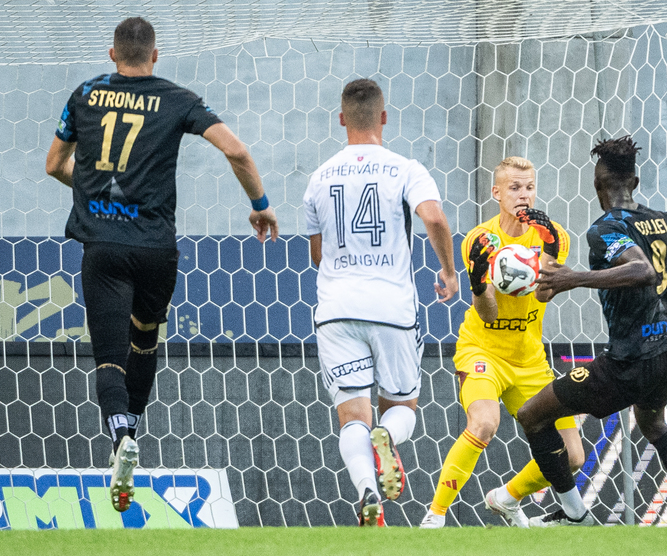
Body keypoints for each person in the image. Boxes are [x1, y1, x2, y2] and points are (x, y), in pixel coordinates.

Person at [44, 17, 279, 513]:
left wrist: (93, 192)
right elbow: (237, 151)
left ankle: (120, 439)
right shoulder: (177, 98)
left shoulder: (84, 94)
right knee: (144, 338)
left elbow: (54, 165)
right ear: (155, 55)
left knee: (108, 357)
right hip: (156, 249)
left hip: (103, 247)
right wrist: (259, 204)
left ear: (112, 54)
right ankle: (132, 431)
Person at [516, 136, 667, 526]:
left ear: (596, 185)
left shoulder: (605, 228)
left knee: (532, 415)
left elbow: (642, 270)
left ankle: (575, 514)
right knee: (653, 424)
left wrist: (573, 278)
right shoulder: (666, 221)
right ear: (634, 182)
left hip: (629, 362)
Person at [302, 78, 459, 527]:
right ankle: (385, 437)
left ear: (341, 119)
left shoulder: (319, 177)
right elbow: (433, 218)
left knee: (351, 416)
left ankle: (367, 491)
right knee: (402, 409)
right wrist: (449, 271)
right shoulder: (405, 168)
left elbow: (317, 255)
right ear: (384, 117)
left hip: (336, 310)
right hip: (392, 308)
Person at [420, 156, 584, 529]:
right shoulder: (480, 240)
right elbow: (489, 314)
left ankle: (506, 498)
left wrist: (551, 251)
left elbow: (542, 297)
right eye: (514, 187)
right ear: (497, 192)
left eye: (529, 187)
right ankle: (435, 516)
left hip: (529, 359)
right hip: (483, 351)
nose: (523, 195)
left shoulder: (555, 235)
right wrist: (479, 282)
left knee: (572, 456)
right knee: (483, 424)